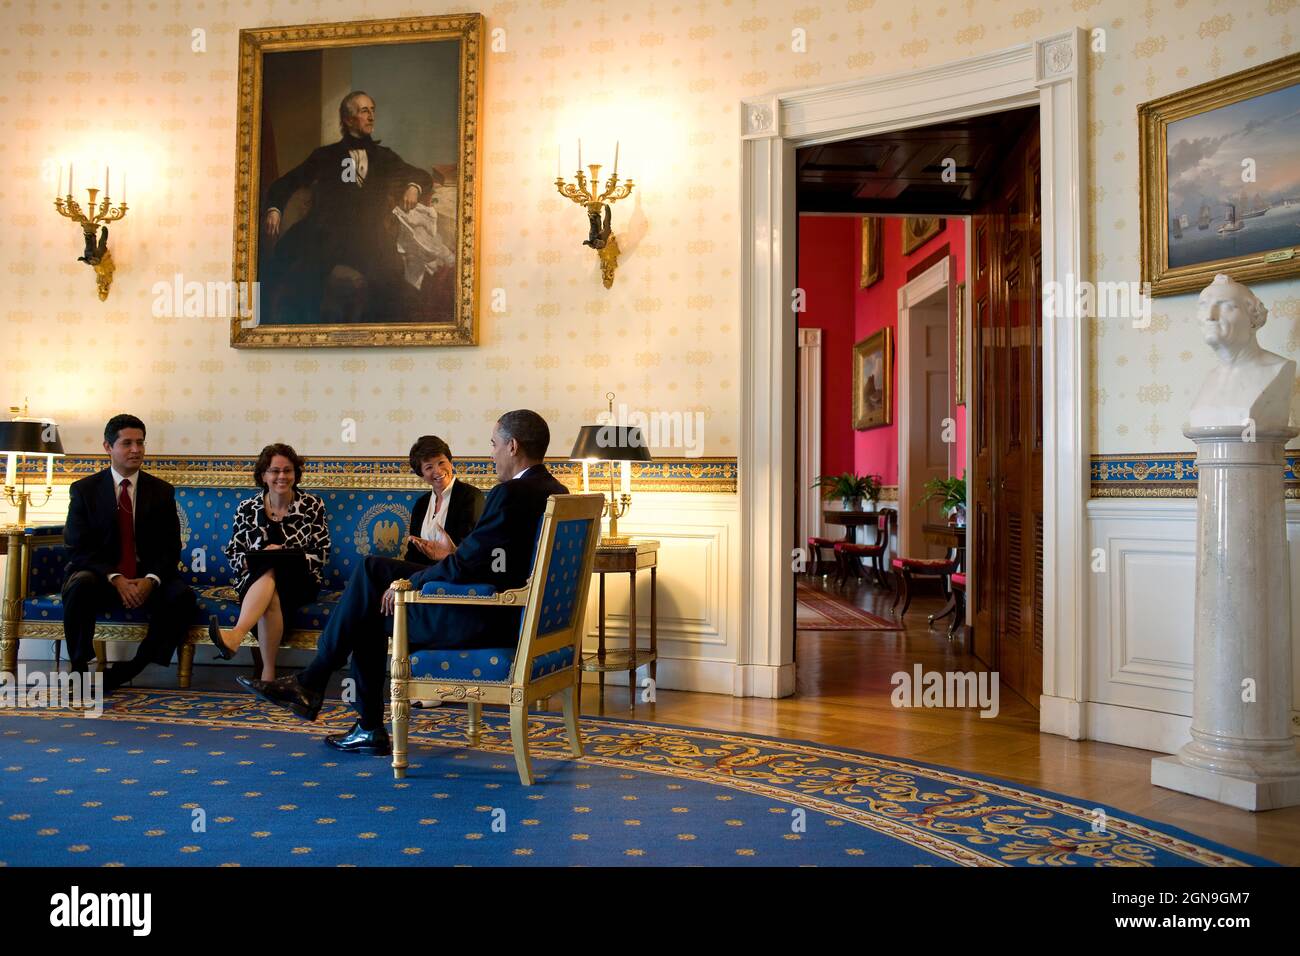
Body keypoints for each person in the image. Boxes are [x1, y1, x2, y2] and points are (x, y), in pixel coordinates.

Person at [245, 410, 568, 756]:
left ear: (512, 446)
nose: (491, 452)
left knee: (366, 615)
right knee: (371, 570)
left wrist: (411, 581)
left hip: (480, 617)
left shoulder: (511, 493)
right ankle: (321, 690)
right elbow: (482, 561)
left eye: (493, 444)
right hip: (512, 615)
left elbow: (463, 566)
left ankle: (342, 706)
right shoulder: (558, 491)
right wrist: (426, 569)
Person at [260, 90, 435, 325]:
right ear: (348, 119)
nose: (372, 116)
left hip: (369, 238)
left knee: (391, 283)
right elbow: (287, 182)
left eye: (373, 110)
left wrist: (413, 186)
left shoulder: (384, 157)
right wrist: (274, 209)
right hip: (326, 234)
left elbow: (419, 175)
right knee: (296, 277)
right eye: (365, 111)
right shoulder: (325, 156)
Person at [61, 414, 197, 694]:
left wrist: (150, 579)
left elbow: (171, 547)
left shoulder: (161, 491)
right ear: (108, 447)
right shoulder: (84, 490)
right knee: (79, 586)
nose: (136, 449)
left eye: (140, 443)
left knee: (181, 597)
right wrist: (116, 578)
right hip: (102, 578)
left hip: (146, 578)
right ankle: (79, 667)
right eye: (127, 443)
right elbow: (78, 547)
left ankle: (134, 666)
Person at [208, 444, 330, 681]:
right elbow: (234, 554)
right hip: (255, 582)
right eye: (275, 471)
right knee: (269, 580)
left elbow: (322, 553)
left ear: (296, 474)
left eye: (288, 470)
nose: (282, 476)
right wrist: (259, 557)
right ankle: (268, 676)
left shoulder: (313, 505)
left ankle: (236, 636)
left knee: (273, 567)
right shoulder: (247, 508)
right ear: (263, 475)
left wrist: (284, 554)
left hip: (299, 582)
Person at [402, 434, 485, 566]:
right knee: (372, 565)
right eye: (429, 467)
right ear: (421, 474)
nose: (438, 471)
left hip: (451, 572)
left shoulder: (471, 496)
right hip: (419, 572)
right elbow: (413, 552)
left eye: (441, 462)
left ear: (450, 463)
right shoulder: (421, 504)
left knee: (370, 565)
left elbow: (471, 548)